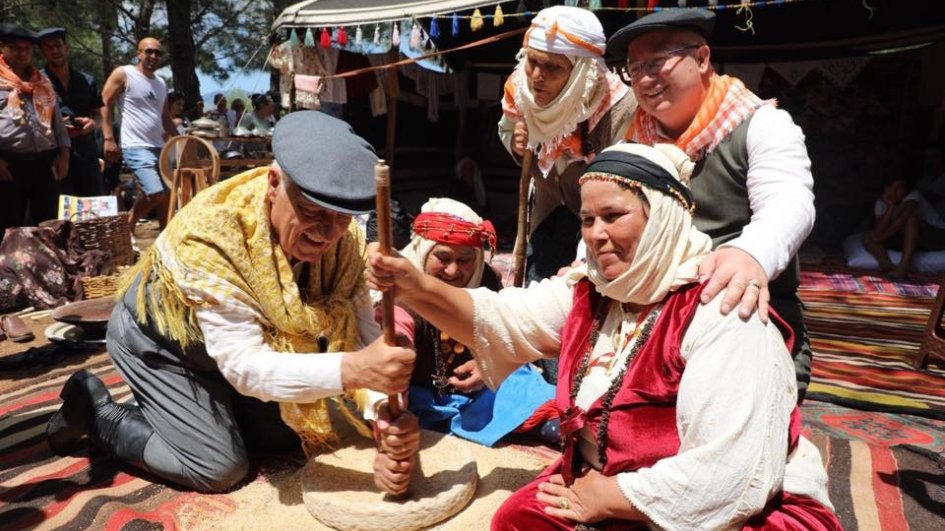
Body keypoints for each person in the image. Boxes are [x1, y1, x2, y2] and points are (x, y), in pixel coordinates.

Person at [368, 143, 839, 530]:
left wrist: (611, 496)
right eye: (588, 221)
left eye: (614, 216)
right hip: (609, 478)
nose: (596, 235)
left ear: (662, 219)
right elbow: (499, 318)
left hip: (731, 507)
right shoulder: (590, 294)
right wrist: (410, 283)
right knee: (518, 521)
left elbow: (733, 474)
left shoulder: (723, 310)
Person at [45, 110, 420, 496]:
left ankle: (194, 412)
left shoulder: (346, 246)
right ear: (274, 183)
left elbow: (363, 338)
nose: (327, 233)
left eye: (341, 217)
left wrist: (381, 412)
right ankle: (93, 409)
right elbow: (245, 367)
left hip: (228, 349)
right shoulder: (213, 236)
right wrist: (358, 369)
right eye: (312, 211)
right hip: (163, 346)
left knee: (292, 436)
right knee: (218, 466)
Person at [607, 9, 816, 401]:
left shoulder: (762, 125)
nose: (644, 79)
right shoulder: (631, 142)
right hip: (650, 330)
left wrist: (748, 254)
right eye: (634, 69)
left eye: (656, 62)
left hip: (742, 321)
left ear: (702, 58)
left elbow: (790, 203)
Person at [377, 197, 556, 447]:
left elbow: (506, 331)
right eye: (443, 257)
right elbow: (397, 340)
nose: (452, 271)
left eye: (464, 260)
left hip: (487, 389)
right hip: (423, 397)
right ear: (422, 251)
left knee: (534, 393)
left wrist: (488, 364)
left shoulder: (486, 281)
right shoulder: (399, 300)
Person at [498, 5, 637, 282]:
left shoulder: (620, 107)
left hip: (598, 226)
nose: (537, 75)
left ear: (580, 73)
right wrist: (516, 143)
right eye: (533, 62)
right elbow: (505, 129)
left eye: (553, 67)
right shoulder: (522, 92)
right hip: (546, 212)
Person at [0, 23, 70, 242]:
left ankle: (48, 272)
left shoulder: (42, 82)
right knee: (8, 226)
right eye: (16, 48)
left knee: (49, 225)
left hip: (45, 163)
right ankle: (8, 274)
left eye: (27, 49)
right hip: (9, 165)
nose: (22, 53)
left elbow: (57, 122)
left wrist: (64, 154)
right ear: (3, 48)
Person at [101, 37, 177, 229]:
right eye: (149, 51)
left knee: (167, 198)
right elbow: (105, 104)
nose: (153, 56)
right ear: (139, 54)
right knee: (155, 193)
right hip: (135, 146)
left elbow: (165, 118)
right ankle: (128, 225)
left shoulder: (161, 83)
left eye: (158, 53)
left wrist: (183, 140)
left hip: (161, 147)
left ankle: (165, 241)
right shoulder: (124, 74)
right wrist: (109, 138)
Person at [38, 27, 104, 197]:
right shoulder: (36, 82)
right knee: (58, 213)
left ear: (66, 48)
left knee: (91, 209)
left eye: (58, 45)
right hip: (53, 156)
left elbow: (99, 116)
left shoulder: (86, 80)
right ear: (42, 52)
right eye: (49, 47)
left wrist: (91, 124)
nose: (55, 50)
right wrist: (57, 129)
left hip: (86, 153)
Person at [863, 178, 945, 277]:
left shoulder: (914, 196)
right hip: (910, 239)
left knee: (911, 219)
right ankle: (886, 265)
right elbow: (878, 231)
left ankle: (904, 267)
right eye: (891, 187)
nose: (894, 191)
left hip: (935, 236)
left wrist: (881, 239)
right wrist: (891, 206)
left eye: (899, 187)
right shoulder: (881, 203)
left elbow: (902, 220)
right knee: (867, 236)